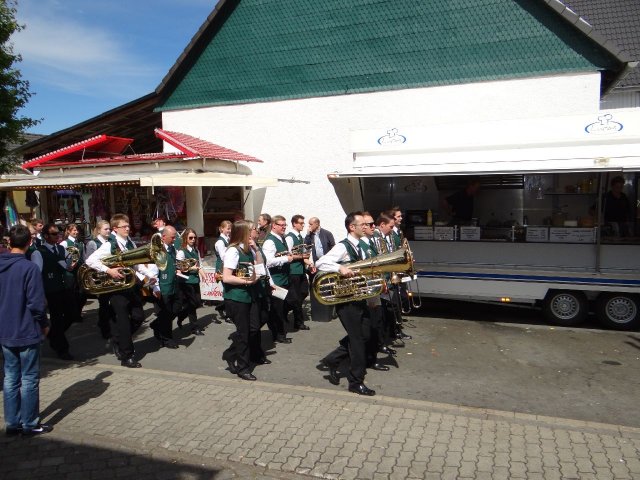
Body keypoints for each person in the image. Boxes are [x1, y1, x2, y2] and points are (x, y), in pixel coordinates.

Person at [0, 224, 52, 436]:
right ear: (29, 243)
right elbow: (36, 303)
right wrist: (44, 323)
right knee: (29, 378)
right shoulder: (29, 267)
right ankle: (30, 423)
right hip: (25, 328)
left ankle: (13, 423)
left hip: (5, 329)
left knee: (10, 377)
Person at [85, 214, 157, 367]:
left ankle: (118, 340)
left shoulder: (129, 242)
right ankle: (127, 356)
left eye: (128, 225)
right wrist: (108, 271)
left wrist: (149, 275)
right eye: (124, 226)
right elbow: (90, 261)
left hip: (131, 285)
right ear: (115, 229)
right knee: (123, 322)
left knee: (138, 317)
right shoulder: (110, 244)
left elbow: (136, 264)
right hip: (118, 289)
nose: (128, 228)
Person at [316, 212, 376, 396]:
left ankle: (333, 359)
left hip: (359, 297)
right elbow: (321, 262)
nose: (365, 227)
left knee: (365, 335)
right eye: (362, 225)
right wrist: (339, 267)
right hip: (346, 301)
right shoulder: (343, 246)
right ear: (352, 227)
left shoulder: (361, 246)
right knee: (357, 340)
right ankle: (355, 382)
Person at [221, 220, 260, 381]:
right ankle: (243, 368)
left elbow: (260, 266)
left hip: (249, 295)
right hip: (237, 298)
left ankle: (230, 354)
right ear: (244, 232)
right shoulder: (233, 251)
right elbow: (226, 277)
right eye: (252, 230)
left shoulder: (249, 249)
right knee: (244, 333)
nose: (255, 232)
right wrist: (246, 282)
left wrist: (256, 249)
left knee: (254, 328)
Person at [37, 223, 75, 360]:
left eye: (58, 233)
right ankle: (62, 349)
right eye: (54, 234)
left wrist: (70, 266)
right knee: (57, 319)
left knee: (72, 314)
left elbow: (67, 263)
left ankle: (52, 335)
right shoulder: (39, 252)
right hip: (51, 290)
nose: (57, 236)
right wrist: (41, 294)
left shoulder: (60, 248)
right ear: (46, 236)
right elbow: (37, 274)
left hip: (64, 287)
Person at [263, 215, 298, 344]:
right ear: (274, 226)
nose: (284, 227)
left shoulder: (282, 239)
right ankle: (279, 334)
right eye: (281, 225)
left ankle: (277, 327)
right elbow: (268, 261)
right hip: (276, 281)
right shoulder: (270, 241)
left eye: (285, 225)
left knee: (292, 301)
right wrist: (285, 259)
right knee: (277, 309)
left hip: (285, 279)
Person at [151, 225, 181, 348]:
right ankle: (166, 339)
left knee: (177, 307)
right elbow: (153, 271)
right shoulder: (158, 251)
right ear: (163, 237)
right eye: (172, 237)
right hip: (163, 287)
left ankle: (157, 324)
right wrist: (155, 287)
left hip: (174, 284)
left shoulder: (173, 249)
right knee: (166, 314)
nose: (175, 239)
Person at [84, 220, 114, 340]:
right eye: (105, 229)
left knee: (111, 302)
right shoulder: (93, 243)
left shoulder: (111, 241)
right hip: (99, 276)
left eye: (109, 229)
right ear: (99, 230)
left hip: (110, 275)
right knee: (104, 303)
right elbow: (89, 261)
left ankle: (108, 324)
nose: (108, 231)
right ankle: (105, 328)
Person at [176, 227, 206, 335]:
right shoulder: (181, 252)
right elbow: (179, 268)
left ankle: (181, 316)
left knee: (197, 302)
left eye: (194, 237)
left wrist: (204, 277)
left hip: (195, 280)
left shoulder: (196, 250)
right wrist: (190, 268)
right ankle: (194, 327)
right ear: (185, 238)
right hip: (186, 281)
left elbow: (199, 266)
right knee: (192, 304)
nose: (193, 239)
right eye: (190, 238)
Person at [285, 214, 312, 331]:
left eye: (303, 223)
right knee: (296, 297)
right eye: (300, 223)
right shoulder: (290, 237)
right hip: (293, 270)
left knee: (304, 292)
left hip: (300, 270)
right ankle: (298, 322)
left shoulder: (300, 237)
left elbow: (302, 256)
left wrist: (310, 263)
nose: (302, 225)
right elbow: (288, 255)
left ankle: (284, 309)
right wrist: (302, 256)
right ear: (294, 224)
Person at [60, 223, 85, 324]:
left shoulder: (80, 243)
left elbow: (84, 257)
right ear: (69, 231)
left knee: (81, 294)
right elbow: (60, 258)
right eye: (74, 230)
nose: (76, 232)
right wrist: (67, 266)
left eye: (77, 230)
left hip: (79, 271)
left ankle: (77, 313)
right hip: (69, 272)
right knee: (71, 294)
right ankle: (73, 315)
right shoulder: (64, 243)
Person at [214, 220, 232, 322]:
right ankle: (228, 314)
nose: (230, 231)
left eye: (230, 229)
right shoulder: (220, 242)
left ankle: (221, 308)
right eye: (228, 228)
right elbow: (223, 257)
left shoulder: (228, 239)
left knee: (228, 289)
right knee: (227, 290)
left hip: (227, 267)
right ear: (222, 229)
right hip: (222, 268)